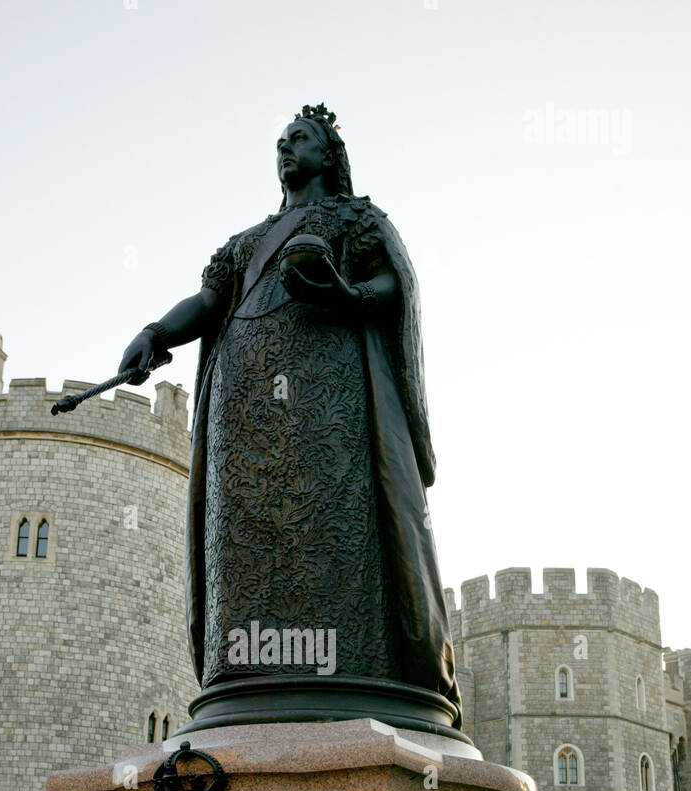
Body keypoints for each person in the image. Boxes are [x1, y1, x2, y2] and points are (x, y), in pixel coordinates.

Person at [119, 104, 463, 735]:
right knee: (248, 536)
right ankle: (252, 674)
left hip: (329, 403)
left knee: (332, 522)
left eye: (299, 139)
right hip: (242, 409)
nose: (285, 148)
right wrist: (155, 332)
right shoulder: (248, 241)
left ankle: (348, 664)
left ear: (328, 155)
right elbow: (208, 301)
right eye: (280, 141)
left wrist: (347, 295)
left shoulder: (357, 219)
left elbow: (394, 286)